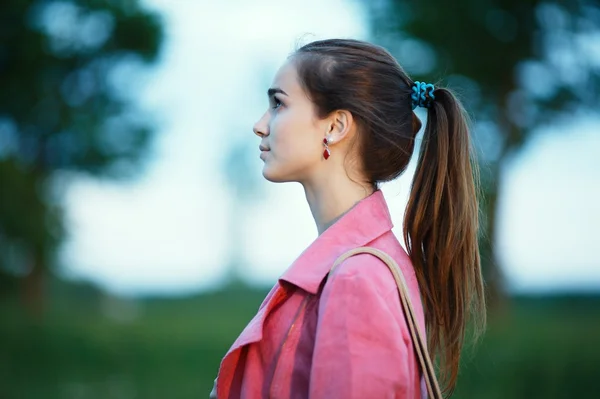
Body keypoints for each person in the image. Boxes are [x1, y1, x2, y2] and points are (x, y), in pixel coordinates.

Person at [210, 38, 486, 399]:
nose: (260, 125)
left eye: (279, 104)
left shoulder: (356, 281)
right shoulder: (357, 268)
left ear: (336, 126)